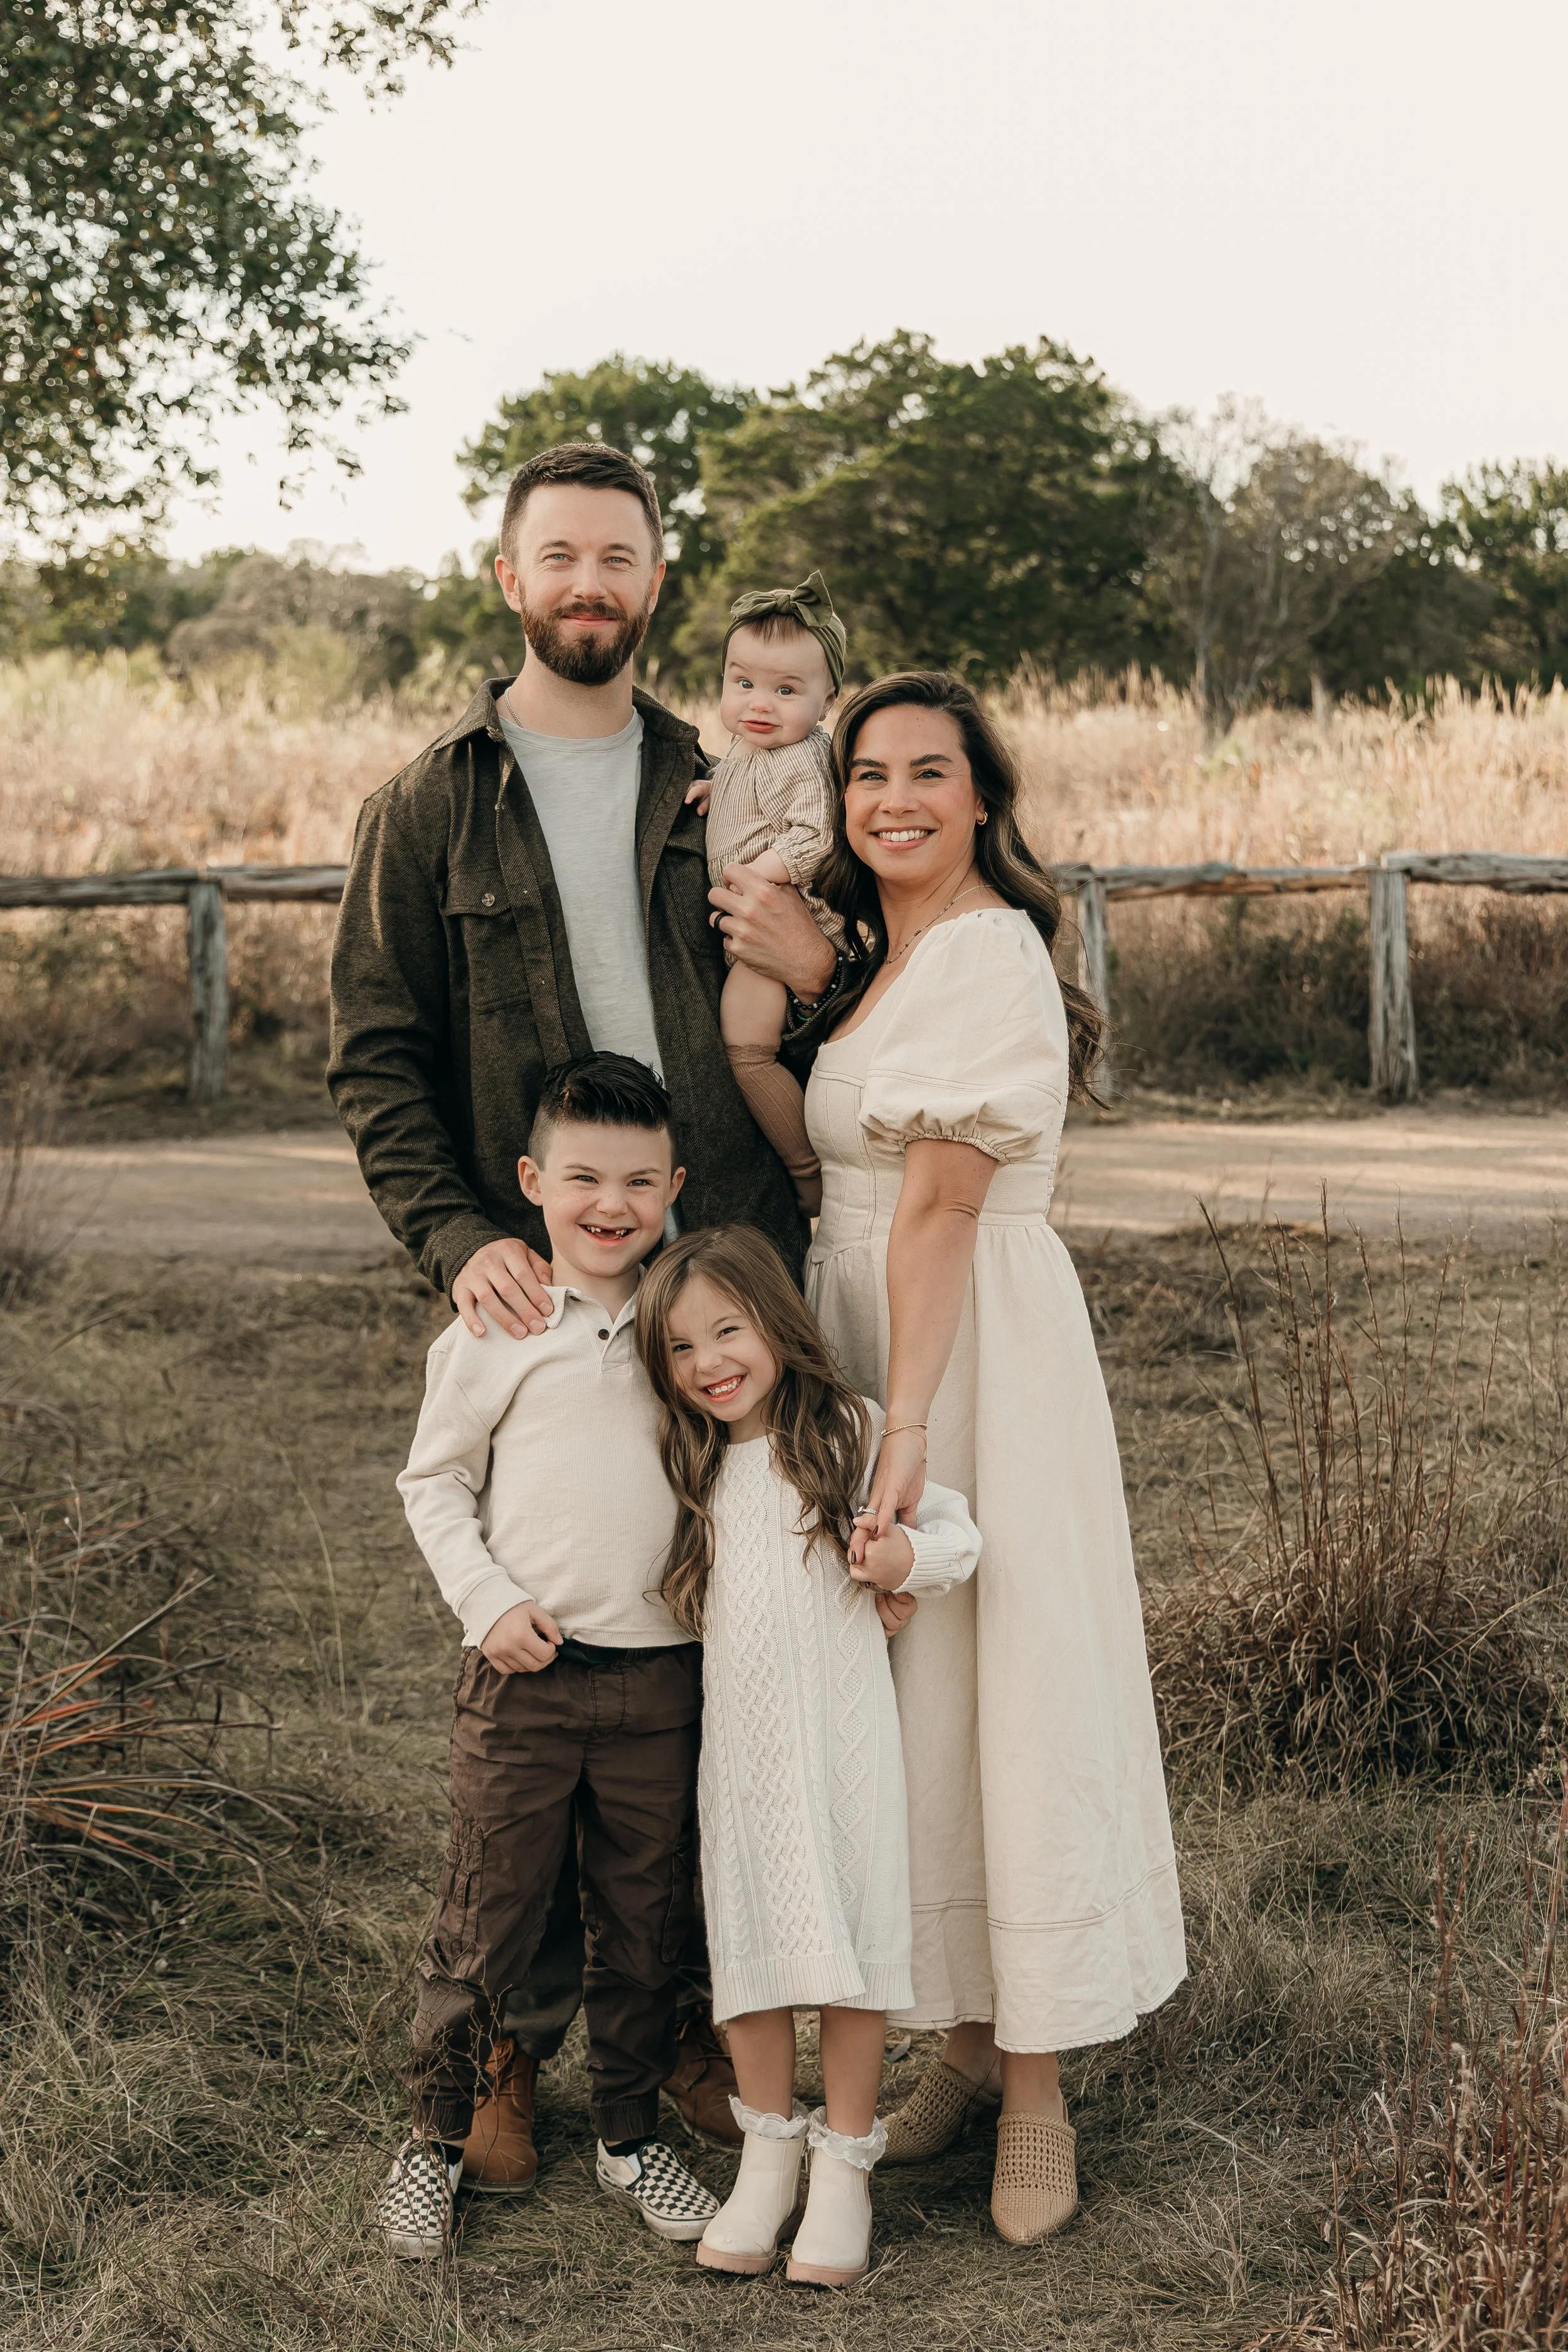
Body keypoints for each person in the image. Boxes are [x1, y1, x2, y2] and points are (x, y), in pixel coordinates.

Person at [328, 440, 841, 2169]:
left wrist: (823, 957)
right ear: (509, 578)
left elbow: (839, 984)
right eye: (559, 555)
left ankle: (691, 2023)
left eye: (618, 556)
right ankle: (506, 2041)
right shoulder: (429, 803)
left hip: (722, 1284)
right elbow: (375, 1052)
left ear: (652, 581)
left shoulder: (732, 776)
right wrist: (453, 1229)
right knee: (534, 1666)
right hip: (547, 1281)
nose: (589, 582)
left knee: (708, 1659)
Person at [798, 671, 1187, 2246]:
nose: (894, 796)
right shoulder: (882, 962)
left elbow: (943, 1200)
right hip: (869, 1330)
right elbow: (830, 1155)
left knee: (1005, 1680)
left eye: (928, 772)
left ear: (982, 799)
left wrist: (906, 1425)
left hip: (971, 1362)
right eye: (867, 772)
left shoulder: (986, 949)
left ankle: (1036, 2081)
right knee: (916, 1708)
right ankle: (958, 2039)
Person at [377, 1054, 722, 2261]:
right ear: (532, 1182)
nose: (609, 1204)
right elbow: (433, 1483)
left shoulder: (688, 1328)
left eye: (638, 1180)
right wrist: (486, 1603)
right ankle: (434, 2137)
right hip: (524, 1674)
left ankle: (629, 2130)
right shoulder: (496, 1327)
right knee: (488, 1913)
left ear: (674, 1184)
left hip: (660, 1678)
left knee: (643, 1914)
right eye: (582, 1177)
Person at [634, 1227, 981, 2287]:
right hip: (740, 1757)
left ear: (778, 1324)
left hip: (844, 1752)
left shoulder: (852, 1431)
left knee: (847, 1950)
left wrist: (900, 1560)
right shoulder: (687, 1462)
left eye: (728, 1331)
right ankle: (769, 2154)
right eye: (682, 1350)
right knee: (752, 1949)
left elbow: (961, 1541)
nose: (709, 1364)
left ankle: (844, 2164)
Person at [691, 572, 847, 1216]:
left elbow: (815, 836)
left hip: (789, 917)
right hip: (756, 920)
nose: (759, 703)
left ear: (826, 701)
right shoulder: (754, 745)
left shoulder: (806, 757)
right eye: (743, 683)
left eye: (786, 690)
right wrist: (714, 782)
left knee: (746, 1052)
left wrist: (763, 877)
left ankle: (806, 1171)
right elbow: (748, 783)